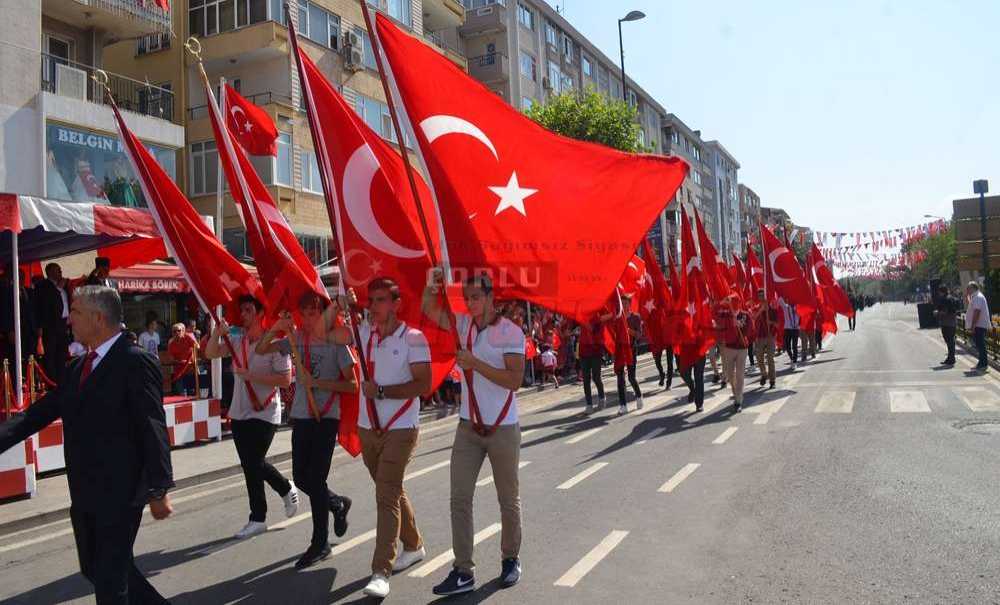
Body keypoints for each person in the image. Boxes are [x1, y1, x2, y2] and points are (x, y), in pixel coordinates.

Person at [0, 286, 173, 604]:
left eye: (76, 312)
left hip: (121, 492)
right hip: (84, 491)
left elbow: (152, 426)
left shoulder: (134, 361)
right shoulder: (77, 367)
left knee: (110, 581)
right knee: (97, 569)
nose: (69, 320)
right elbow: (39, 414)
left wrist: (159, 488)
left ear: (98, 318)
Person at [423, 270, 525, 595]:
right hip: (468, 427)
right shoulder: (463, 325)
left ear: (491, 298)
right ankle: (463, 570)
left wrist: (475, 363)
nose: (470, 303)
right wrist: (432, 283)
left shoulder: (510, 332)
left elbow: (514, 380)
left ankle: (510, 559)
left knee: (507, 499)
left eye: (476, 297)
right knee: (459, 498)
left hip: (502, 428)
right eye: (466, 298)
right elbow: (430, 309)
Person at [258, 292, 356, 569]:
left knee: (316, 477)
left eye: (315, 312)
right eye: (305, 312)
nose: (309, 318)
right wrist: (277, 328)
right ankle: (336, 503)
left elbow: (352, 385)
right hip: (302, 415)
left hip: (325, 417)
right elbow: (261, 350)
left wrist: (317, 383)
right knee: (301, 477)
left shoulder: (336, 342)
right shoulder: (296, 339)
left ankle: (320, 543)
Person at [354, 278, 431, 598]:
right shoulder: (363, 334)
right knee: (391, 489)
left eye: (380, 300)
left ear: (396, 303)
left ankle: (380, 570)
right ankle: (413, 544)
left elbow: (423, 384)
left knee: (385, 495)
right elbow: (321, 331)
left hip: (401, 429)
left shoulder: (413, 338)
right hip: (367, 427)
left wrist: (382, 391)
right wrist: (339, 304)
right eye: (370, 300)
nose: (373, 306)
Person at [204, 295, 299, 540]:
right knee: (249, 465)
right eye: (241, 310)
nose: (243, 314)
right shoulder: (237, 341)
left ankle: (283, 490)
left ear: (259, 314)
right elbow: (210, 352)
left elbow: (285, 380)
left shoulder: (275, 343)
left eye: (248, 310)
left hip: (265, 412)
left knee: (254, 461)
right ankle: (258, 517)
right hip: (239, 411)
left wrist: (251, 376)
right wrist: (217, 332)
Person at [34, 262, 71, 385]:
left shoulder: (63, 285)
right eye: (58, 270)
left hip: (63, 324)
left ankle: (61, 380)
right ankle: (52, 382)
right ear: (49, 272)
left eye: (60, 270)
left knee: (62, 355)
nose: (60, 272)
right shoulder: (43, 286)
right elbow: (47, 304)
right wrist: (58, 289)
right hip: (51, 326)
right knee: (51, 355)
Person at [714, 294, 751, 413]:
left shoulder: (745, 315)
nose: (733, 304)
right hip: (729, 348)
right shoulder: (726, 314)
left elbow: (750, 329)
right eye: (731, 301)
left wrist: (741, 327)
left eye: (734, 301)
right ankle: (736, 392)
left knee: (740, 375)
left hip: (742, 348)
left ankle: (738, 400)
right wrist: (721, 302)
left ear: (739, 302)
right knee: (730, 374)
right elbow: (714, 313)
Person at [612, 299, 643, 415]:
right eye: (622, 303)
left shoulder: (636, 317)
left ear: (630, 304)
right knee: (620, 378)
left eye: (625, 303)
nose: (623, 305)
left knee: (631, 377)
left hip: (631, 349)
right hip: (619, 350)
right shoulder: (617, 318)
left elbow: (639, 334)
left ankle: (639, 395)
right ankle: (623, 405)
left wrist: (627, 330)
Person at [577, 308, 609, 413]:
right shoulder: (581, 313)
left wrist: (585, 323)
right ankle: (589, 404)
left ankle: (602, 396)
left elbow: (594, 329)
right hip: (584, 349)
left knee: (596, 377)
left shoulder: (597, 314)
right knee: (586, 379)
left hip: (595, 349)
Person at [750, 289, 777, 389]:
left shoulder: (772, 309)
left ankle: (772, 380)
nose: (761, 298)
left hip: (770, 336)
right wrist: (761, 310)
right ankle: (764, 374)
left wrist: (771, 322)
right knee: (759, 358)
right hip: (760, 337)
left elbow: (778, 324)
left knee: (770, 358)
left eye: (763, 296)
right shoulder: (757, 308)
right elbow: (753, 318)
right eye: (760, 296)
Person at [167, 322, 199, 396]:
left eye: (179, 330)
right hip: (179, 372)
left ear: (183, 331)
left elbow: (197, 347)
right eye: (174, 331)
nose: (177, 333)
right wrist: (180, 361)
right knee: (181, 395)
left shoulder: (187, 337)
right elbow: (171, 359)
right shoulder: (171, 344)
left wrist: (192, 359)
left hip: (190, 370)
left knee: (192, 394)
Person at [965, 281, 990, 371]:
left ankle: (983, 364)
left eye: (968, 288)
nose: (967, 290)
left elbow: (977, 312)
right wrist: (967, 297)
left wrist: (973, 325)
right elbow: (972, 307)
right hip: (978, 325)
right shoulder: (975, 297)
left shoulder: (978, 297)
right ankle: (981, 363)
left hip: (979, 325)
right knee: (979, 345)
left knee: (980, 345)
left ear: (973, 288)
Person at [934, 285, 960, 366]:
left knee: (949, 341)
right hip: (953, 322)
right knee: (951, 340)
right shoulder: (953, 298)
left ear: (941, 292)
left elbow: (945, 311)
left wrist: (937, 313)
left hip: (946, 322)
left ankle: (951, 358)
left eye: (939, 292)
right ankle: (950, 357)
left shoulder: (945, 299)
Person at [781, 300, 800, 370]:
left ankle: (794, 362)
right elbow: (780, 300)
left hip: (795, 329)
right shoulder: (786, 307)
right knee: (787, 346)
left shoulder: (798, 308)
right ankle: (792, 358)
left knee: (794, 346)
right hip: (787, 329)